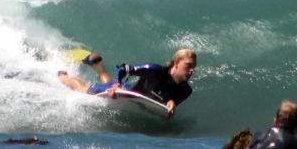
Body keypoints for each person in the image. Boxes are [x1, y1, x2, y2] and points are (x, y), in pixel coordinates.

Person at [58, 49, 196, 117]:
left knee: (109, 83)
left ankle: (96, 64)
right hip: (125, 91)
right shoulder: (153, 70)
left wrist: (171, 102)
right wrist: (117, 84)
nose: (191, 70)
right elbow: (123, 69)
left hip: (136, 99)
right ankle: (62, 76)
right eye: (188, 65)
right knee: (83, 89)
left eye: (193, 67)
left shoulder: (186, 91)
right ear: (176, 63)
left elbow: (169, 100)